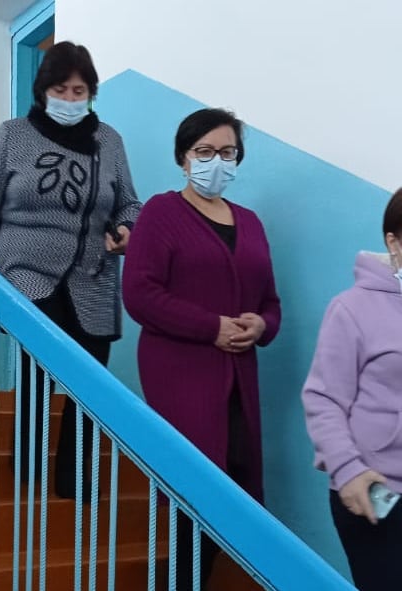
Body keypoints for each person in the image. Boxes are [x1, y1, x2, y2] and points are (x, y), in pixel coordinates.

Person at [0, 42, 141, 500]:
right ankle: (28, 468)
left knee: (90, 383)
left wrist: (126, 229)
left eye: (80, 91)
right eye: (61, 89)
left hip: (93, 275)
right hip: (26, 270)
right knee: (39, 369)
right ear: (43, 91)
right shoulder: (15, 134)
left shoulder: (109, 141)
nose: (71, 99)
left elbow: (129, 204)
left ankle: (74, 480)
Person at [122, 108, 281, 589]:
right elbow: (140, 294)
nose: (217, 162)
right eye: (205, 151)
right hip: (181, 373)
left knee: (234, 485)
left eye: (227, 153)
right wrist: (211, 327)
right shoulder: (161, 213)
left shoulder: (250, 222)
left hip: (239, 377)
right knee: (193, 493)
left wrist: (261, 325)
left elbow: (271, 302)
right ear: (183, 158)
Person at [302, 189, 402, 591]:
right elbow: (323, 399)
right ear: (393, 241)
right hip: (376, 490)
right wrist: (348, 472)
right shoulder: (351, 308)